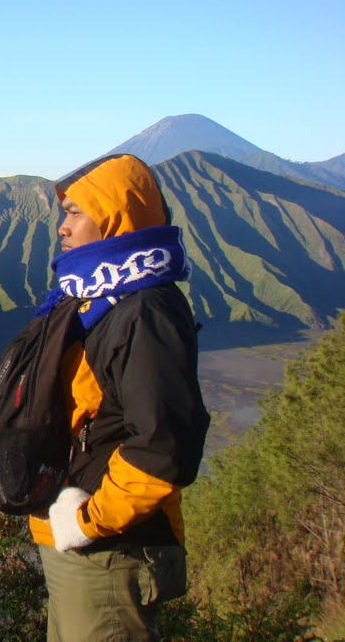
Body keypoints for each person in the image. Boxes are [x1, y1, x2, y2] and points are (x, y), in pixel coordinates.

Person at [30, 154, 210, 641]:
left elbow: (165, 444)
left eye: (75, 213)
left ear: (114, 218)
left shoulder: (143, 311)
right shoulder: (99, 298)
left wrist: (88, 521)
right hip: (85, 549)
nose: (62, 229)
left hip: (110, 550)